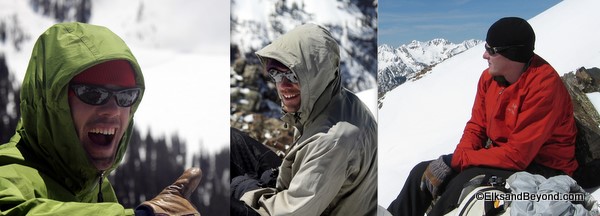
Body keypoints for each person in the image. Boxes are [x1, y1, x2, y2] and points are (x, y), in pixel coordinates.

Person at [0, 22, 201, 215]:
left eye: (126, 96)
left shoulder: (96, 190)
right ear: (52, 103)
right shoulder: (7, 175)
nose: (113, 110)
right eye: (93, 94)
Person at [387, 17, 578, 216]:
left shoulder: (544, 86)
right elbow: (477, 126)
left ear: (512, 54)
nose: (485, 55)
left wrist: (455, 161)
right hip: (505, 156)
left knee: (463, 184)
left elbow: (518, 156)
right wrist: (456, 160)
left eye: (491, 50)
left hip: (544, 168)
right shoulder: (489, 78)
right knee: (420, 173)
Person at [230, 23, 378, 215]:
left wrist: (243, 189)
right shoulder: (332, 100)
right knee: (232, 141)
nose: (282, 86)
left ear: (317, 75)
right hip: (312, 196)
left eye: (292, 75)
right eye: (275, 73)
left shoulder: (334, 140)